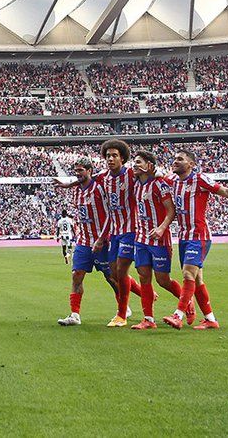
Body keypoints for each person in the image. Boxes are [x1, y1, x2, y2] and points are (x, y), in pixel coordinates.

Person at [162, 149, 228, 331]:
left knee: (187, 274)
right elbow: (155, 176)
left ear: (191, 165)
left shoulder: (200, 179)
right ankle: (210, 319)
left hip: (199, 236)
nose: (175, 161)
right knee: (198, 279)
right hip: (184, 236)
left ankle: (178, 315)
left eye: (180, 159)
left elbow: (225, 191)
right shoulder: (172, 181)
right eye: (175, 158)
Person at [127, 151, 185, 330]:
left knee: (162, 280)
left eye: (138, 162)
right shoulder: (136, 184)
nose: (134, 165)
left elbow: (171, 210)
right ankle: (148, 319)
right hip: (141, 238)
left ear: (149, 165)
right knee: (144, 277)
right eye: (134, 162)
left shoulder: (160, 184)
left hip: (159, 240)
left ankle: (187, 302)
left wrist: (161, 228)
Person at [96, 139, 144, 327]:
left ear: (123, 158)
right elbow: (86, 179)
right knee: (114, 272)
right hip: (114, 231)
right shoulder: (103, 178)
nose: (110, 159)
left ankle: (122, 314)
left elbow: (152, 174)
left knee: (122, 271)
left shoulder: (132, 174)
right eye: (108, 156)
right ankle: (184, 301)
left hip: (131, 230)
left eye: (114, 155)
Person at [56, 157, 108, 326]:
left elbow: (110, 214)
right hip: (84, 241)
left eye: (81, 170)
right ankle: (75, 315)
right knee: (76, 275)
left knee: (113, 278)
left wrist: (102, 238)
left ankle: (126, 304)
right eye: (76, 170)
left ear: (89, 171)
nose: (77, 174)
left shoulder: (100, 188)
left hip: (101, 241)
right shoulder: (77, 190)